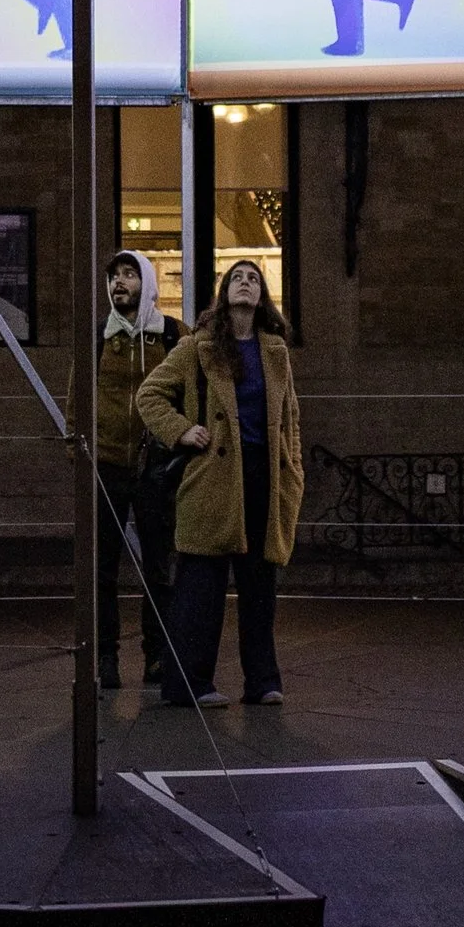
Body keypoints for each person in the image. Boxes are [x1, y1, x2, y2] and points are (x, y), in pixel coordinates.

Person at [136, 257, 305, 709]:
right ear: (224, 293)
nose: (245, 284)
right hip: (211, 476)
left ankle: (263, 681)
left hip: (263, 478)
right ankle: (188, 684)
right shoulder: (198, 346)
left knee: (260, 587)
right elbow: (148, 395)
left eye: (253, 279)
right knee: (200, 588)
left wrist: (294, 469)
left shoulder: (275, 351)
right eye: (237, 278)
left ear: (262, 296)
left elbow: (290, 418)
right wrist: (182, 431)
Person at [92, 248, 180, 690]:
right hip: (107, 465)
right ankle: (106, 657)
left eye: (129, 274)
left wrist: (179, 444)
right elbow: (78, 397)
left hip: (156, 469)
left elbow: (188, 394)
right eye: (114, 277)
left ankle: (157, 655)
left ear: (146, 281)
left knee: (159, 566)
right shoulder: (100, 338)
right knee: (102, 569)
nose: (119, 283)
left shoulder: (170, 335)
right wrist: (80, 453)